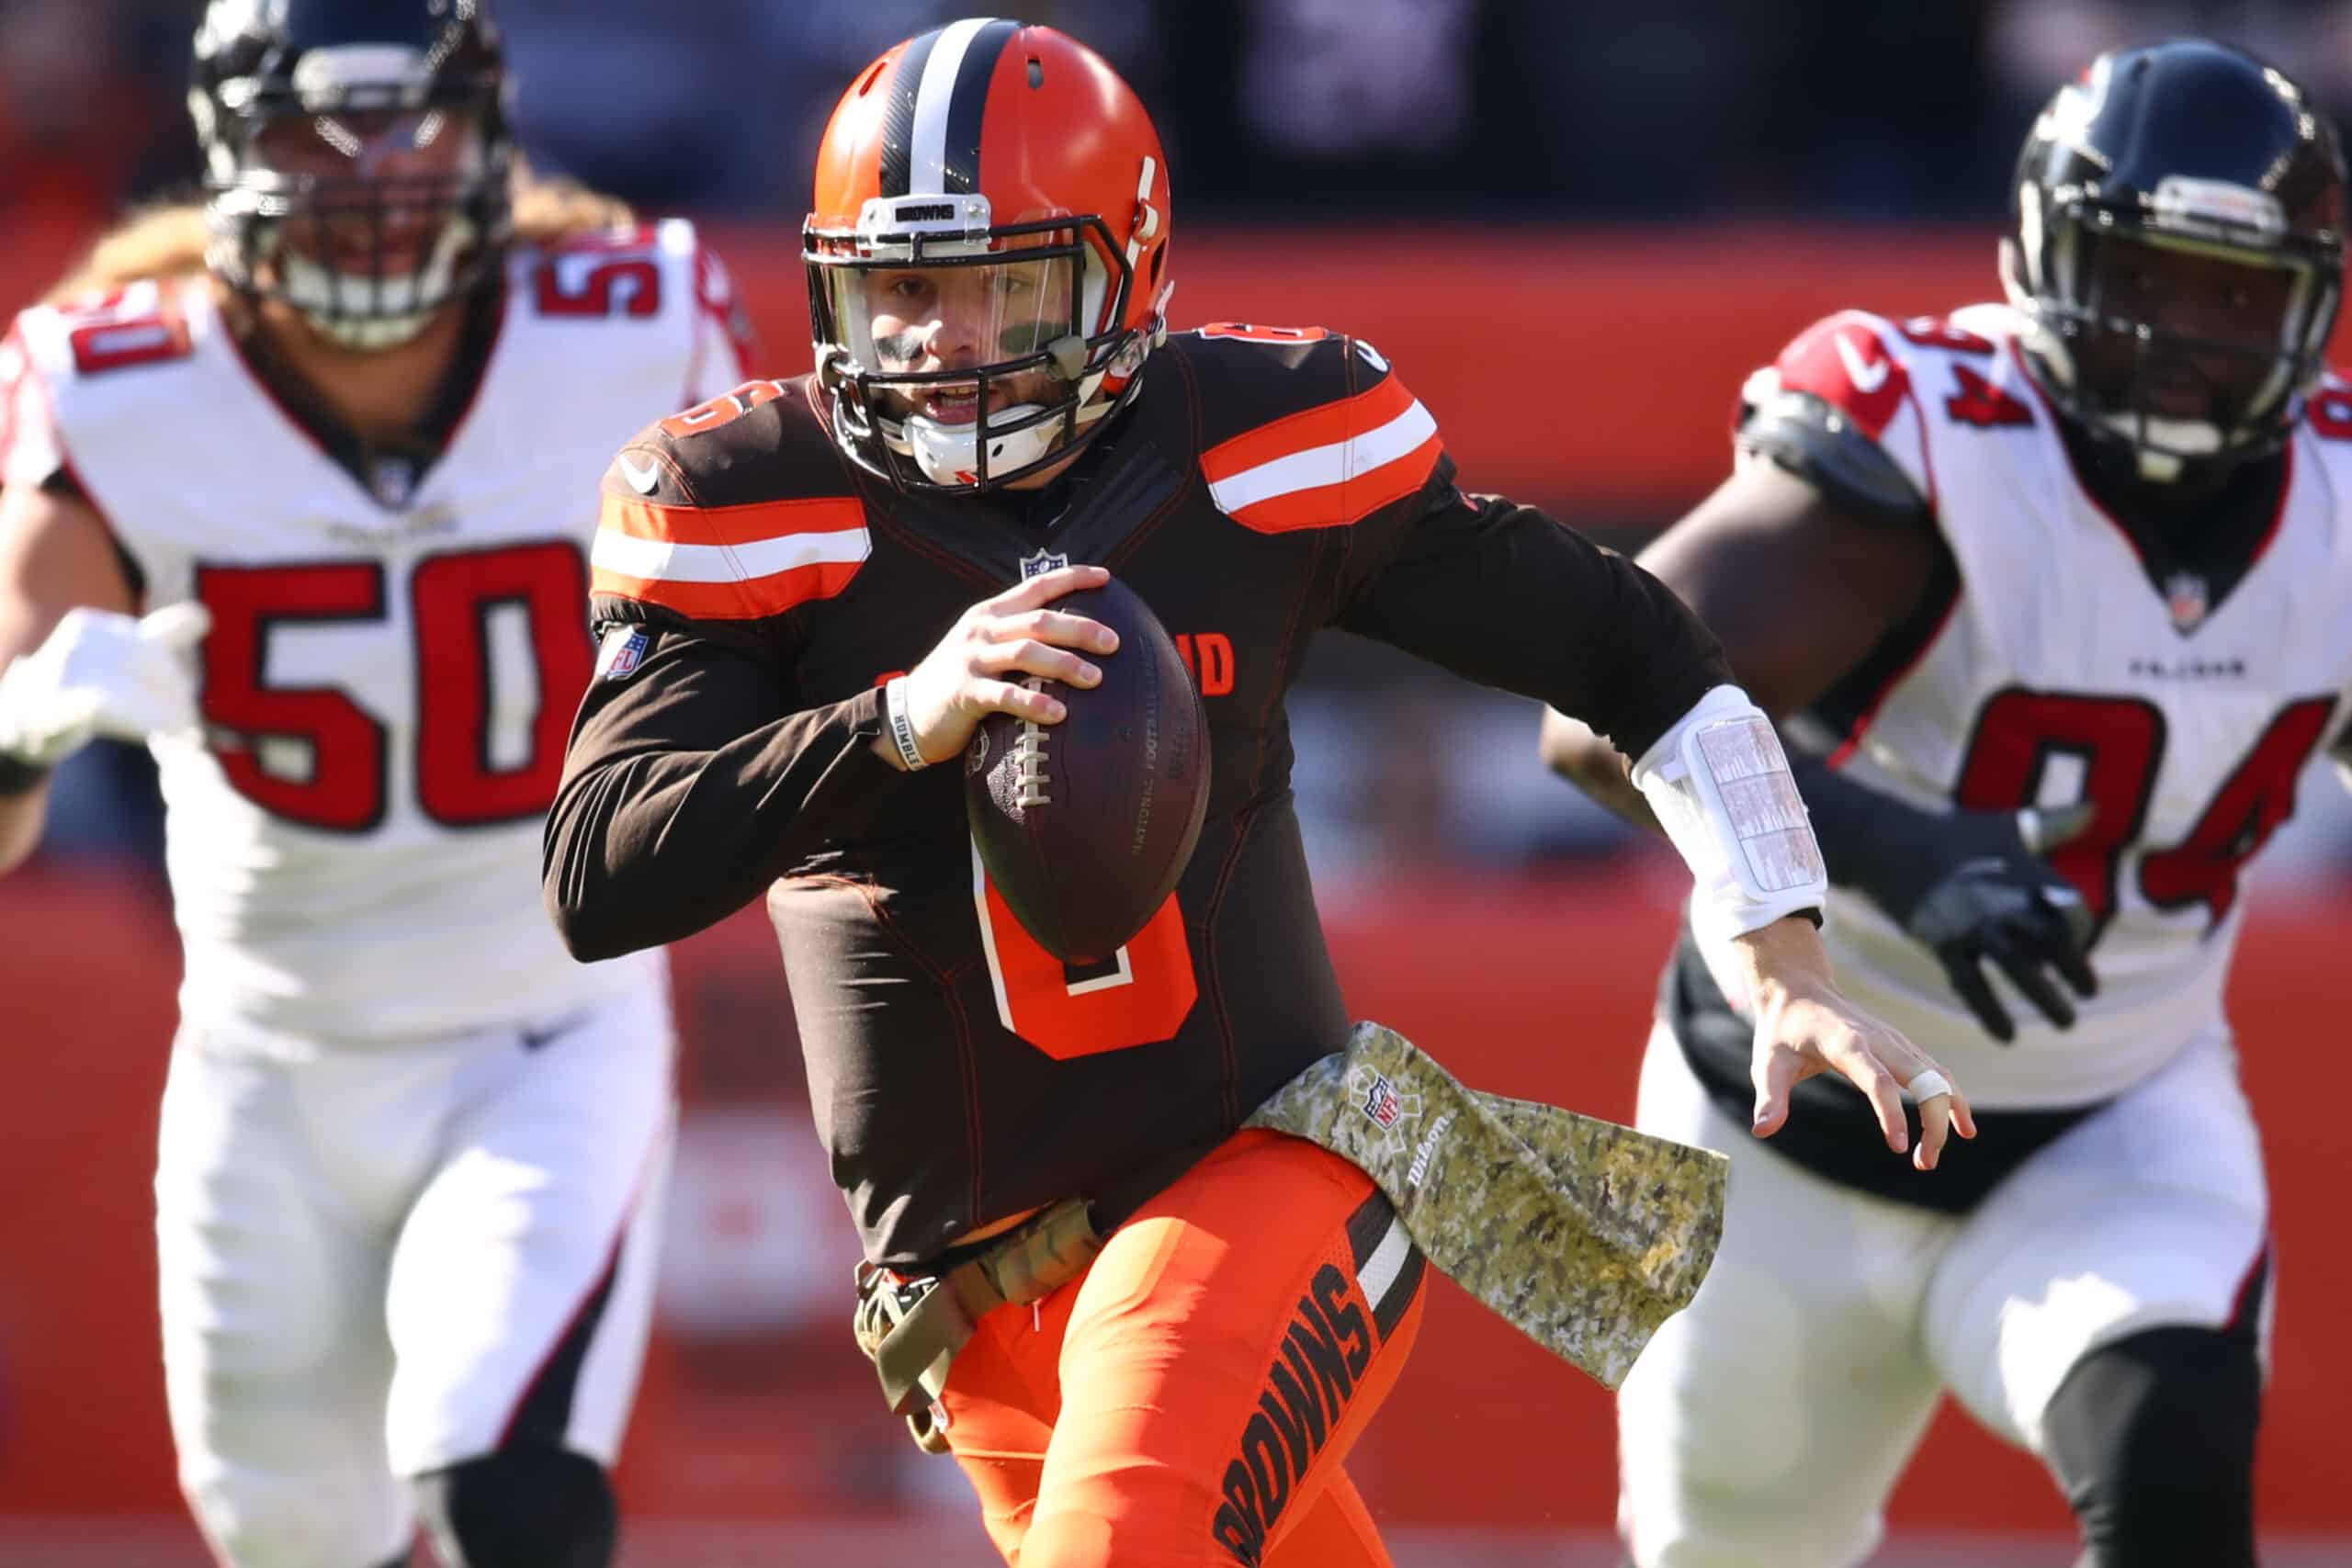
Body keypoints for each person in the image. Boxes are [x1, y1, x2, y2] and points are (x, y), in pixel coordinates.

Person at [542, 19, 1971, 1568]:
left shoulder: (1264, 444)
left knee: (1132, 1545)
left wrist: (1779, 937)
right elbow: (598, 873)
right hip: (978, 1322)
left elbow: (1635, 648)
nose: (944, 340)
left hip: (1265, 1177)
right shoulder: (745, 501)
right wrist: (892, 723)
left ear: (1126, 271)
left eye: (1000, 286)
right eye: (902, 289)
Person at [1539, 37, 2346, 1568]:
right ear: (2045, 257)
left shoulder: (2339, 511)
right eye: (2146, 275)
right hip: (1780, 1132)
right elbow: (1595, 707)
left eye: (2233, 293)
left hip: (2110, 1130)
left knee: (2176, 1458)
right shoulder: (1938, 439)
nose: (2183, 334)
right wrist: (1906, 855)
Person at [0, 2, 755, 1563]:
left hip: (545, 1034)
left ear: (486, 137)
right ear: (223, 156)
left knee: (505, 1484)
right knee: (294, 1544)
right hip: (267, 1064)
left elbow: (798, 615)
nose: (372, 180)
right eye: (313, 139)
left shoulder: (632, 329)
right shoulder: (117, 382)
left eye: (410, 129)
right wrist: (18, 730)